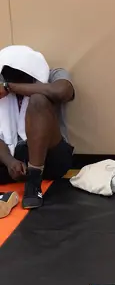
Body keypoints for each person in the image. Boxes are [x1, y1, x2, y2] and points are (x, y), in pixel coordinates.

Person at [0, 45, 75, 209]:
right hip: (11, 157)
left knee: (38, 100)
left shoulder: (53, 74)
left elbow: (63, 91)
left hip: (51, 157)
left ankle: (34, 181)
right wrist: (9, 162)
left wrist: (9, 87)